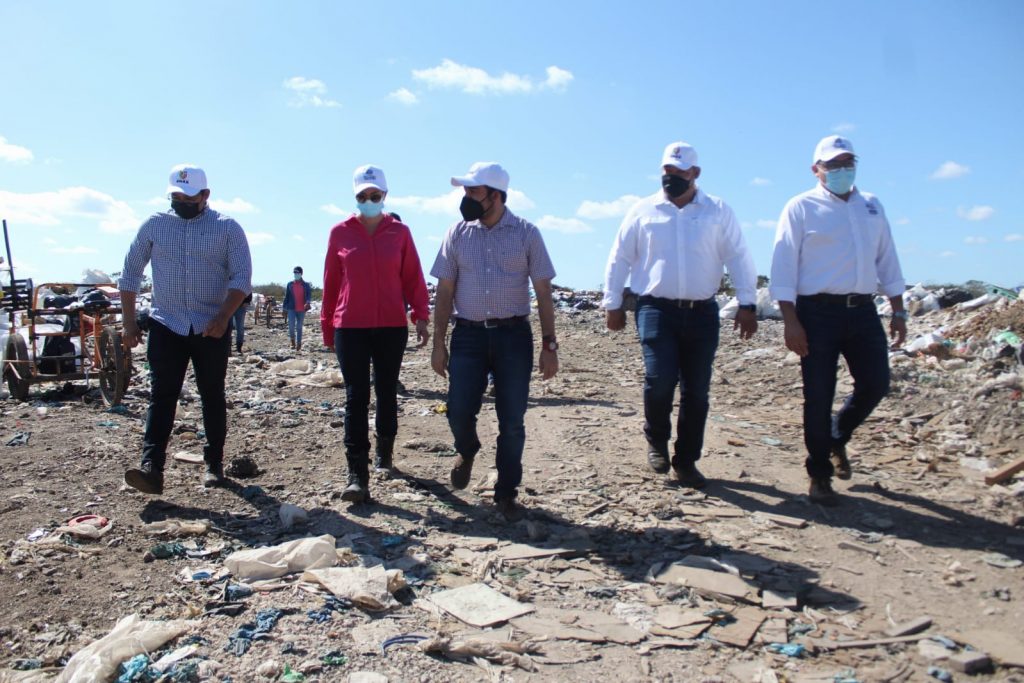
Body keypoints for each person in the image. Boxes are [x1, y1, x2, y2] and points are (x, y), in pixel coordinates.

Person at [603, 142, 758, 489]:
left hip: (702, 311)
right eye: (667, 171)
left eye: (679, 171)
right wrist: (612, 304)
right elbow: (620, 257)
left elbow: (738, 256)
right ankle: (657, 440)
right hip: (655, 308)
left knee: (696, 390)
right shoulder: (643, 210)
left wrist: (748, 303)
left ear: (695, 173)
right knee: (659, 378)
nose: (671, 177)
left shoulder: (717, 211)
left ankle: (686, 460)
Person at [770, 135, 907, 506]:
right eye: (833, 165)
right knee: (818, 394)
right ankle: (819, 474)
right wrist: (790, 320)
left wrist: (898, 310)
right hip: (817, 313)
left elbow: (887, 259)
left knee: (875, 383)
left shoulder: (871, 206)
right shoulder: (801, 207)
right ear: (816, 169)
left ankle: (836, 436)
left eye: (848, 163)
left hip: (862, 310)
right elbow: (783, 266)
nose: (842, 170)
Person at [430, 162, 559, 522]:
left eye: (474, 191)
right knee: (458, 409)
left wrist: (549, 346)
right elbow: (445, 290)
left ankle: (506, 493)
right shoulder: (457, 233)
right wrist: (438, 343)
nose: (466, 197)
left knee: (512, 420)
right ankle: (467, 447)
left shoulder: (527, 233)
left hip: (513, 337)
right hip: (468, 335)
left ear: (496, 195)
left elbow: (543, 292)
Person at [119, 164, 252, 494]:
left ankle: (214, 464)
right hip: (167, 323)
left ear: (205, 195)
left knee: (212, 395)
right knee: (162, 396)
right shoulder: (155, 225)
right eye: (176, 197)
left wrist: (224, 316)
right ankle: (151, 468)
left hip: (211, 327)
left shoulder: (227, 228)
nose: (181, 203)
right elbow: (130, 273)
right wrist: (129, 322)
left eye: (188, 198)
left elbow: (241, 278)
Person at [321, 164, 430, 502]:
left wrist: (421, 315)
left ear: (385, 195)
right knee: (356, 396)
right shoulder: (340, 233)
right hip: (350, 327)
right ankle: (357, 473)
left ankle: (385, 452)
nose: (369, 200)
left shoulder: (400, 233)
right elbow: (331, 283)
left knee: (386, 390)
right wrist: (327, 327)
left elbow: (413, 277)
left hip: (391, 327)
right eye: (363, 195)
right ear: (355, 196)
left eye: (375, 195)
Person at [283, 266, 312, 351]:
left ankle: (299, 343)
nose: (296, 274)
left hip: (302, 309)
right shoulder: (290, 284)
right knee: (291, 326)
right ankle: (292, 341)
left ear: (301, 274)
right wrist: (284, 308)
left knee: (299, 327)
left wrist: (307, 302)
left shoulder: (306, 285)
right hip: (291, 308)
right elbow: (286, 297)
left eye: (297, 273)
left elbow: (309, 296)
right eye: (295, 273)